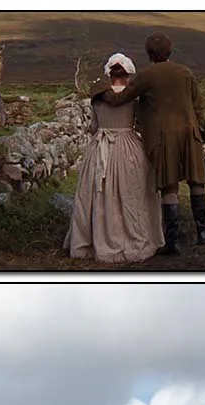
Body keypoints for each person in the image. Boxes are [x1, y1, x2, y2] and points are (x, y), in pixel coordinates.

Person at [92, 32, 205, 254]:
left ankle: (171, 241)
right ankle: (204, 231)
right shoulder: (185, 72)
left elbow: (121, 98)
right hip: (190, 133)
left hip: (163, 137)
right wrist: (203, 137)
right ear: (169, 51)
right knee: (196, 181)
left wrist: (99, 91)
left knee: (169, 185)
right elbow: (198, 107)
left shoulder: (146, 76)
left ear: (149, 53)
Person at [65, 53, 164, 263]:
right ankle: (132, 238)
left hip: (101, 146)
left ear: (109, 75)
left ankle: (94, 239)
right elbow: (141, 124)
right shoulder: (134, 98)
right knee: (132, 193)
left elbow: (93, 127)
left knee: (97, 194)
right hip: (128, 146)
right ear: (128, 76)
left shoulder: (98, 98)